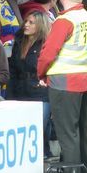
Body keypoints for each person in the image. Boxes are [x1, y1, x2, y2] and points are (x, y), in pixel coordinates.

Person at [37, 0, 87, 173]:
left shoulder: (64, 20)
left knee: (68, 138)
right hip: (83, 78)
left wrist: (42, 73)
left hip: (63, 81)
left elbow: (48, 52)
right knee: (80, 135)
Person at [8, 11, 53, 155]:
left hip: (40, 93)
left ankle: (45, 156)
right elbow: (13, 71)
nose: (26, 25)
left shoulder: (46, 44)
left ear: (40, 26)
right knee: (24, 130)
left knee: (39, 127)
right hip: (20, 91)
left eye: (31, 23)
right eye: (26, 21)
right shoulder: (19, 42)